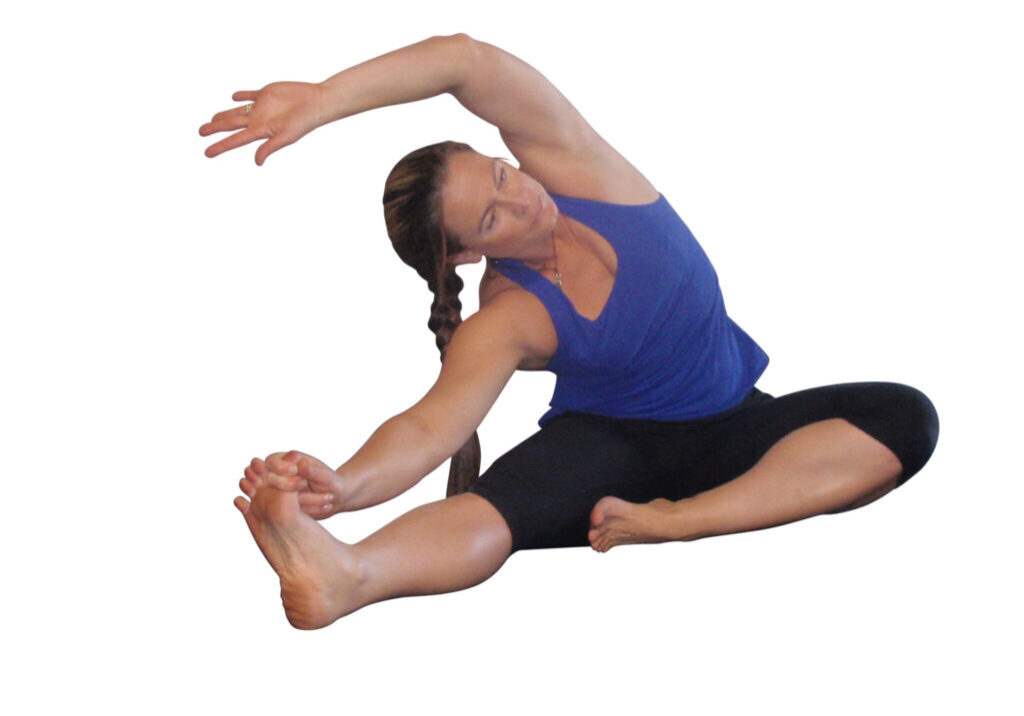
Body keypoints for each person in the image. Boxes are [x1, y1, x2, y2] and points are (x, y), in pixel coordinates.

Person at [200, 34, 939, 629]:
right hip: (609, 446)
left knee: (904, 419)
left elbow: (466, 59)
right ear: (464, 253)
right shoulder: (508, 317)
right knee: (492, 516)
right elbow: (430, 428)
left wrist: (325, 99)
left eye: (498, 174)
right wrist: (342, 487)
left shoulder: (580, 170)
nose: (520, 199)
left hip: (735, 426)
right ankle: (350, 576)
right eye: (492, 219)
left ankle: (681, 521)